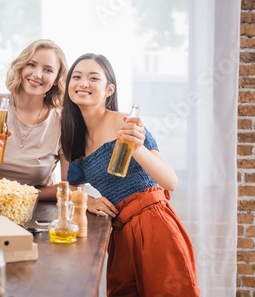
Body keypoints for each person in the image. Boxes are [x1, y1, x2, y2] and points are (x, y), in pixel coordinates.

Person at [61, 53, 200, 296]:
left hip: (155, 224)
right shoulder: (76, 144)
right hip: (121, 231)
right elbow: (69, 188)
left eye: (94, 77)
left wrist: (137, 148)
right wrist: (91, 201)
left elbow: (171, 181)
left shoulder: (127, 123)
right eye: (77, 77)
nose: (83, 83)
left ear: (109, 90)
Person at [0, 39, 70, 200]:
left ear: (57, 79)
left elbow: (69, 187)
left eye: (48, 70)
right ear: (21, 66)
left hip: (37, 207)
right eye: (31, 64)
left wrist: (22, 195)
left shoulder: (62, 123)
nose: (37, 74)